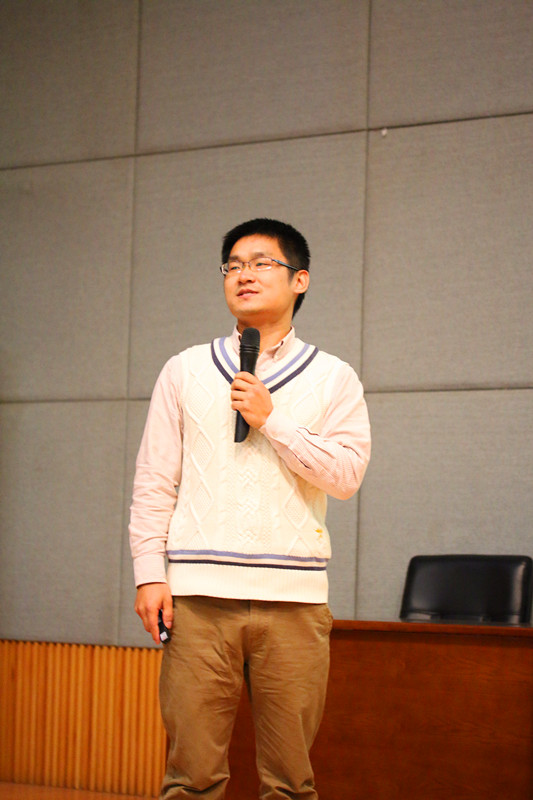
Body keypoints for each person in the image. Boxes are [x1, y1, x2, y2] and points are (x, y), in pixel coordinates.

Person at [129, 218, 371, 799]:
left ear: (300, 280)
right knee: (190, 779)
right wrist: (149, 575)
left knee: (290, 784)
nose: (245, 275)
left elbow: (346, 478)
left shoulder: (335, 377)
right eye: (233, 265)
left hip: (295, 603)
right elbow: (154, 480)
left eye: (262, 263)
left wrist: (273, 420)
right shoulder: (184, 369)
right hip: (196, 602)